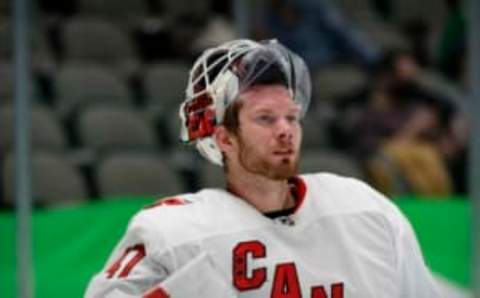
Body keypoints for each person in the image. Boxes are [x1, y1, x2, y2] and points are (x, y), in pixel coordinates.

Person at [85, 39, 441, 297]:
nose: (285, 129)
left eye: (291, 117)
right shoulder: (174, 232)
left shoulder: (365, 209)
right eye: (265, 118)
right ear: (224, 138)